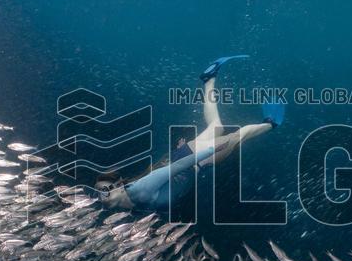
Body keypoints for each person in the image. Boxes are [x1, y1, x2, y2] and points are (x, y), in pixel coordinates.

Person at [98, 55, 285, 211]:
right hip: (187, 156)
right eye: (100, 193)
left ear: (118, 187)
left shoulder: (140, 190)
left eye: (104, 190)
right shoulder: (129, 206)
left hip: (195, 159)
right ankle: (209, 79)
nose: (101, 197)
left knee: (236, 137)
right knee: (216, 126)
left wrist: (211, 150)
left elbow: (177, 167)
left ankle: (271, 124)